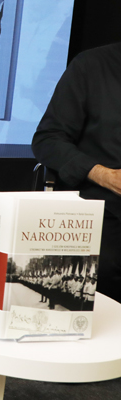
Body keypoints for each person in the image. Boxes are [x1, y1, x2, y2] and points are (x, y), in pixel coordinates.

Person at [32, 43, 121, 303]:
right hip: (102, 209)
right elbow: (48, 139)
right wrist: (105, 176)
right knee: (102, 268)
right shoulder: (91, 66)